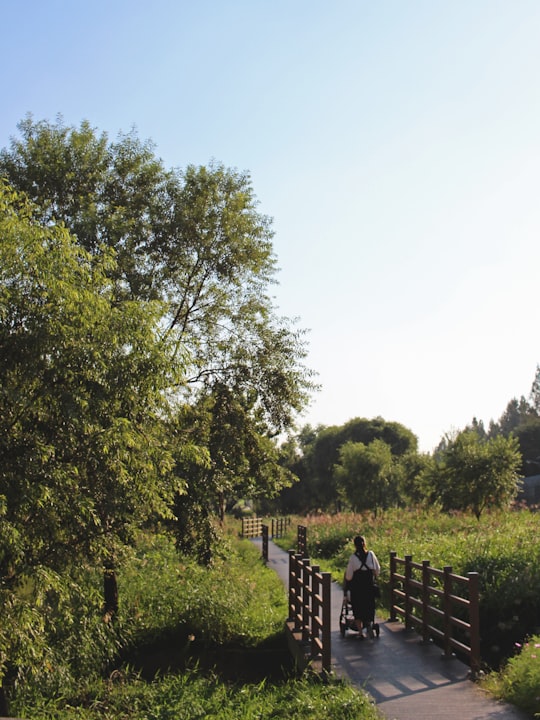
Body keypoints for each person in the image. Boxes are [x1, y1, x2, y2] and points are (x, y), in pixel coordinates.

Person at [345, 535, 381, 638]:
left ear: (355, 546)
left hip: (357, 589)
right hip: (369, 587)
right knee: (369, 606)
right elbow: (377, 570)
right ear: (364, 544)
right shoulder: (371, 555)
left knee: (358, 608)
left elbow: (349, 576)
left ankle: (360, 632)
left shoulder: (353, 558)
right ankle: (369, 623)